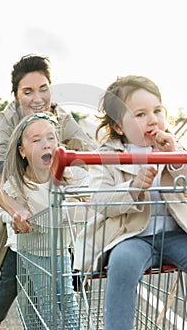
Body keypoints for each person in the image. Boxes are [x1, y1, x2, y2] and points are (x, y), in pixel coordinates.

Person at [0, 54, 96, 330]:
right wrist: (15, 208)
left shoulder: (59, 114)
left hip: (51, 207)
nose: (37, 98)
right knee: (10, 278)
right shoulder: (7, 120)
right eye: (28, 91)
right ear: (16, 95)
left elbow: (86, 148)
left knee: (62, 280)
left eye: (43, 88)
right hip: (14, 204)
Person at [73, 75, 187, 330]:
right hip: (132, 236)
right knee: (122, 263)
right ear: (119, 127)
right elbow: (99, 200)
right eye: (140, 114)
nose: (153, 119)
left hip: (174, 233)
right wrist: (134, 187)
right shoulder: (106, 156)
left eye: (157, 111)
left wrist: (176, 159)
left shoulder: (174, 147)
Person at [0, 112, 86, 329]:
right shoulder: (18, 184)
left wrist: (85, 198)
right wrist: (15, 217)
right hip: (32, 250)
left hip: (60, 248)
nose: (45, 144)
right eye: (36, 140)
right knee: (46, 300)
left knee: (66, 296)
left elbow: (89, 191)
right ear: (23, 151)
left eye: (50, 138)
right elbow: (6, 208)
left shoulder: (69, 175)